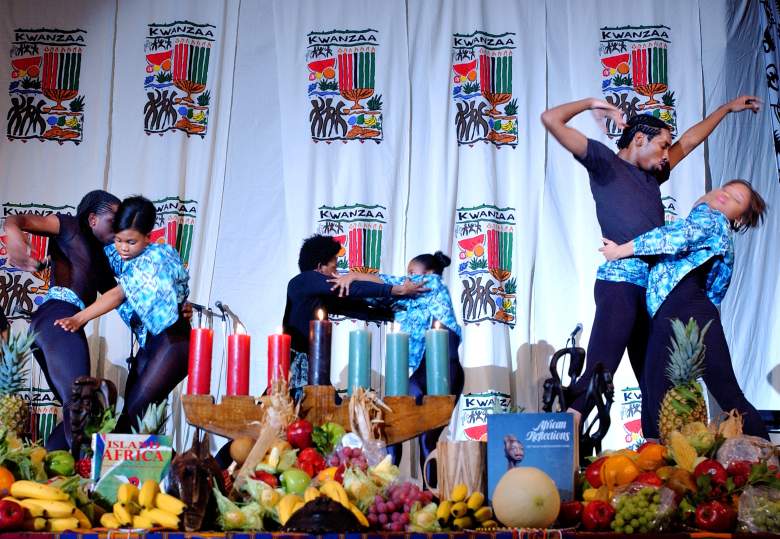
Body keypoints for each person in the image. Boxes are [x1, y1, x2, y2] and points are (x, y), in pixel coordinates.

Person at [540, 95, 761, 418]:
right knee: (599, 375)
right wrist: (590, 103)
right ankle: (558, 446)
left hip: (654, 294)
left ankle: (660, 457)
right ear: (639, 139)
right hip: (621, 284)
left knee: (656, 385)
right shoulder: (604, 162)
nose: (666, 155)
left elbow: (690, 140)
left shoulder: (653, 173)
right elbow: (551, 119)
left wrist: (726, 110)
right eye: (662, 146)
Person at [600, 179, 769, 439]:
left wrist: (621, 250)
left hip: (685, 310)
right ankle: (661, 468)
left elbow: (675, 237)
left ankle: (768, 464)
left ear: (739, 220)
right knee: (657, 393)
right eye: (727, 190)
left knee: (675, 394)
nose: (726, 196)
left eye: (736, 199)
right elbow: (716, 287)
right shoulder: (713, 230)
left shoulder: (711, 220)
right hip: (682, 312)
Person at [54, 196, 190, 433]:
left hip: (174, 343)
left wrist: (79, 318)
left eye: (131, 241)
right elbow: (91, 252)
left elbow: (118, 294)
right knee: (133, 422)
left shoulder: (157, 256)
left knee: (131, 418)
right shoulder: (123, 253)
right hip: (151, 344)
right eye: (118, 239)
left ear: (148, 237)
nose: (123, 247)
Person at [4, 190, 120, 449]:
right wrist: (14, 236)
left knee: (79, 411)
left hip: (52, 325)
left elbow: (121, 296)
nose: (119, 227)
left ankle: (43, 475)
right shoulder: (70, 227)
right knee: (81, 406)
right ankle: (82, 481)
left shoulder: (102, 262)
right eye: (114, 219)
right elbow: (17, 219)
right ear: (92, 219)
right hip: (58, 316)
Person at [331, 251, 463, 463]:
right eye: (408, 273)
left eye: (412, 272)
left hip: (446, 370)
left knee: (426, 440)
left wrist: (352, 275)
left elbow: (389, 283)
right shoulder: (409, 300)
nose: (409, 277)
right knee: (391, 423)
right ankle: (389, 481)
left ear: (428, 273)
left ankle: (434, 492)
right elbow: (379, 293)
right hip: (424, 372)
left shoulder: (432, 283)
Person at [283, 234, 427, 388]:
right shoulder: (302, 281)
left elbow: (354, 309)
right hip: (293, 369)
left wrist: (394, 315)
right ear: (319, 268)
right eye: (334, 267)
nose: (338, 274)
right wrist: (398, 290)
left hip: (314, 367)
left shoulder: (319, 297)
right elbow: (353, 288)